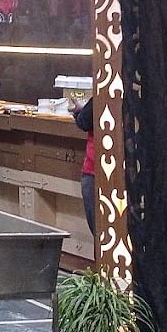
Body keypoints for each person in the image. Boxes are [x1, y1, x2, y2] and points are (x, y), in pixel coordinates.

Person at [74, 97, 96, 234]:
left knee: (99, 231)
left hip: (94, 170)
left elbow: (84, 122)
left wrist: (79, 112)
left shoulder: (103, 92)